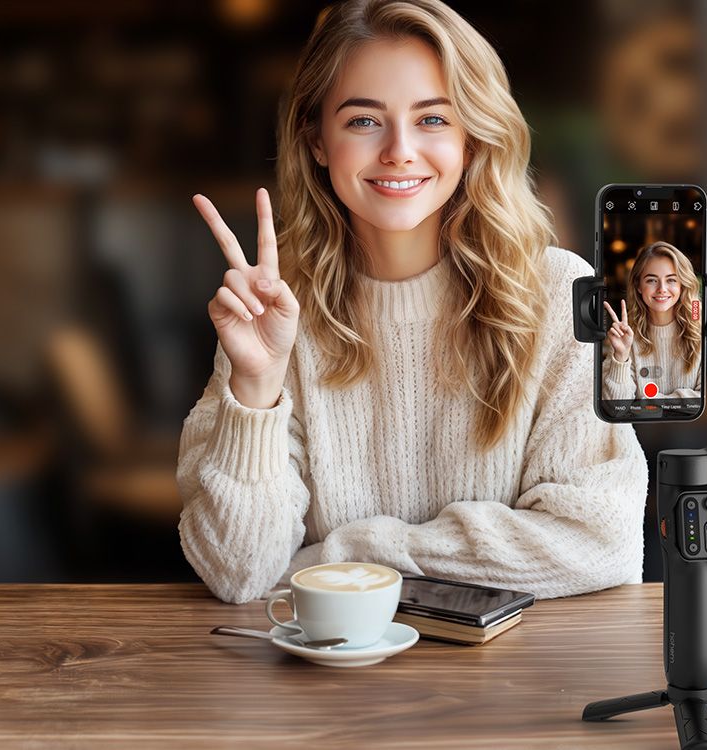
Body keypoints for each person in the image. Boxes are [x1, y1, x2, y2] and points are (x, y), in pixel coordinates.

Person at [177, 0, 647, 604]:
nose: (399, 150)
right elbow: (238, 571)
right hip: (325, 686)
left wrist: (350, 556)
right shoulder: (275, 312)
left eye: (432, 119)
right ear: (316, 140)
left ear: (472, 139)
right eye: (363, 121)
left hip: (519, 681)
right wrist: (256, 386)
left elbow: (597, 540)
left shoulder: (557, 294)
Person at [601, 242, 702, 401]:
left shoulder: (701, 327)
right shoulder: (626, 335)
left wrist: (652, 401)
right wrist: (621, 356)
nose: (662, 288)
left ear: (682, 285)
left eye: (671, 280)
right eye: (651, 280)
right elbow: (616, 406)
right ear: (638, 285)